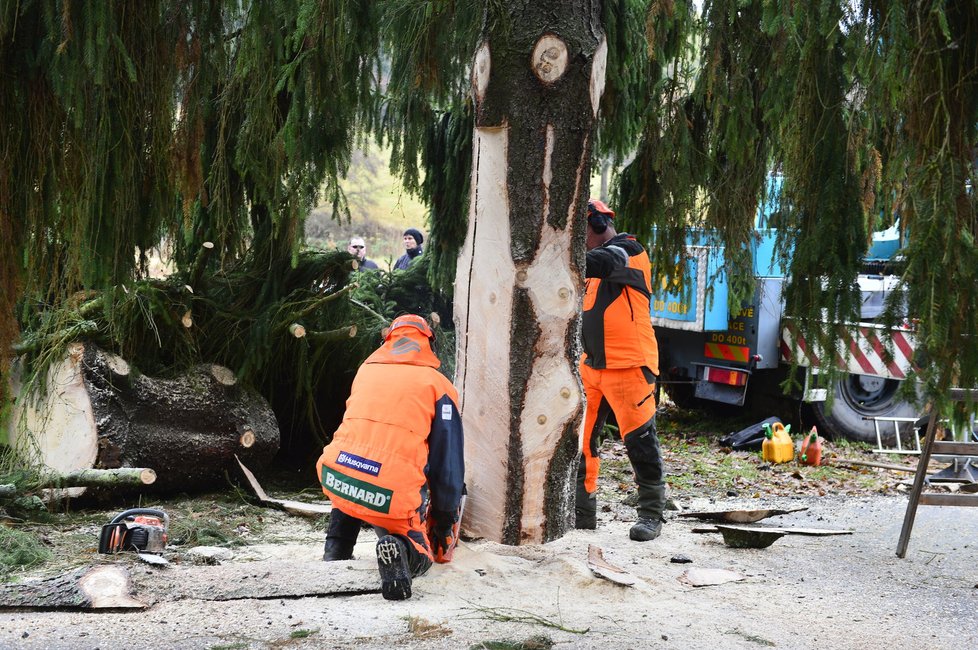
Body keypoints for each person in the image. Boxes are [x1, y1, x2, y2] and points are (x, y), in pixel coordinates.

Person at [316, 314, 465, 600]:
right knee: (420, 549)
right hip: (389, 492)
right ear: (428, 343)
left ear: (388, 340)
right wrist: (445, 516)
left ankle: (335, 551)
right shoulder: (439, 385)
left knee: (354, 479)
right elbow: (448, 465)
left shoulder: (366, 370)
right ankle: (402, 550)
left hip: (337, 475)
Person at [576, 198, 666, 542]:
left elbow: (606, 260)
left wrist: (562, 258)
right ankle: (582, 513)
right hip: (592, 366)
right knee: (581, 442)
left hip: (630, 363)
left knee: (640, 440)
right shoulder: (588, 271)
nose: (579, 240)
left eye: (580, 232)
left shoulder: (629, 248)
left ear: (599, 224)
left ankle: (651, 514)